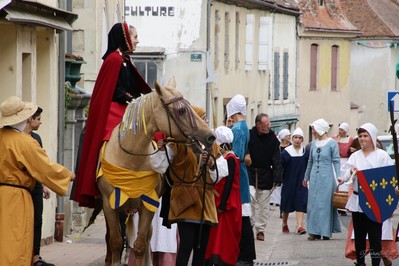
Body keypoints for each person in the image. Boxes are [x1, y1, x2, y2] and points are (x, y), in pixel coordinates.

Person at [72, 22, 152, 207]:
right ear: (125, 38)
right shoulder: (114, 60)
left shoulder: (124, 59)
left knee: (155, 132)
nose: (137, 41)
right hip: (115, 107)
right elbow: (114, 90)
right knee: (108, 136)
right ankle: (97, 176)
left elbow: (132, 87)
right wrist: (130, 99)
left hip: (128, 105)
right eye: (134, 37)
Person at [0, 96, 74, 265]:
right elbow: (45, 167)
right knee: (17, 241)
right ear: (26, 119)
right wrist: (67, 175)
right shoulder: (25, 142)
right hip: (16, 197)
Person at [150, 106, 218, 266]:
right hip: (186, 200)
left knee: (201, 247)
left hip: (206, 203)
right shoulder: (177, 143)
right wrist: (161, 151)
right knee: (186, 245)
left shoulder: (212, 144)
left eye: (206, 120)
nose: (205, 123)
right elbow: (158, 165)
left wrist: (212, 165)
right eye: (202, 119)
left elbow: (219, 174)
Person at [343, 123, 394, 266]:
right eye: (360, 136)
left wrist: (389, 205)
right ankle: (360, 262)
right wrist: (350, 171)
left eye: (365, 136)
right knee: (359, 236)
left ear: (372, 137)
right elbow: (346, 175)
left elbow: (389, 180)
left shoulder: (382, 156)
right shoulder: (354, 156)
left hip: (375, 201)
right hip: (358, 200)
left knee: (374, 236)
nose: (362, 139)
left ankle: (375, 263)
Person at [205, 126, 242, 265]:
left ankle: (224, 259)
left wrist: (223, 203)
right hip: (221, 197)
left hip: (227, 200)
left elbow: (229, 182)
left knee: (225, 234)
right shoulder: (224, 157)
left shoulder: (230, 158)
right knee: (216, 234)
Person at [22, 107, 54, 266]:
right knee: (21, 222)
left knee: (37, 221)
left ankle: (36, 256)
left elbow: (40, 166)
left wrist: (45, 186)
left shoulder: (37, 138)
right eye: (38, 119)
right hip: (21, 187)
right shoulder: (17, 138)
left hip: (36, 187)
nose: (41, 121)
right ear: (29, 119)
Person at [226, 95, 256, 266]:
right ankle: (245, 255)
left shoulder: (237, 129)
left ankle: (244, 256)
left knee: (242, 218)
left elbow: (235, 157)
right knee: (243, 217)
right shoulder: (244, 127)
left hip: (238, 176)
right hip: (242, 173)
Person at [303, 118, 341, 241]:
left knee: (324, 204)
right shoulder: (313, 144)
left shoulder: (332, 143)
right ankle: (313, 231)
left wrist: (339, 175)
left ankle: (324, 231)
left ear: (320, 129)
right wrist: (306, 176)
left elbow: (336, 160)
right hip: (314, 177)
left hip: (327, 177)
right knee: (313, 204)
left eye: (314, 129)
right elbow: (310, 161)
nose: (313, 131)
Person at [246, 113, 283, 240]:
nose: (268, 127)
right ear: (258, 125)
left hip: (266, 174)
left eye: (269, 124)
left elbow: (277, 159)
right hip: (250, 172)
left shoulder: (273, 139)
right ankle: (249, 225)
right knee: (249, 200)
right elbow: (244, 150)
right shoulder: (249, 135)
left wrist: (278, 177)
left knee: (264, 205)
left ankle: (260, 229)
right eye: (266, 125)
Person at [280, 128, 309, 235]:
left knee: (301, 202)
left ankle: (300, 226)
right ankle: (284, 223)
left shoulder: (305, 152)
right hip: (289, 181)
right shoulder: (286, 152)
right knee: (287, 203)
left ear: (302, 139)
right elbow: (280, 166)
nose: (297, 140)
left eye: (299, 138)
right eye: (295, 137)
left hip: (301, 181)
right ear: (292, 139)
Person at [332, 122, 354, 216]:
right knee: (336, 180)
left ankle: (343, 205)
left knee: (344, 183)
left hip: (346, 161)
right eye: (339, 129)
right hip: (336, 161)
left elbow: (353, 149)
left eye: (342, 130)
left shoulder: (351, 140)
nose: (340, 131)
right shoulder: (334, 139)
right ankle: (335, 202)